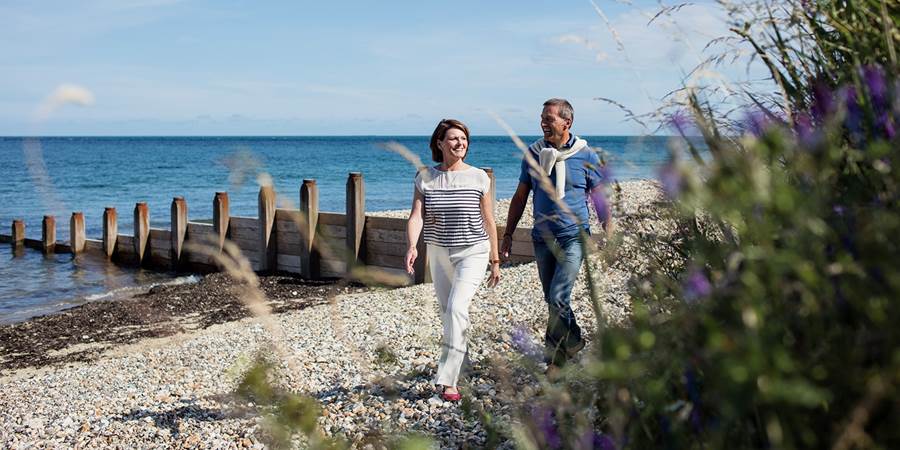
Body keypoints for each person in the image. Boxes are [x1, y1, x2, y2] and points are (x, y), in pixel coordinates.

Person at [501, 98, 609, 371]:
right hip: (542, 238)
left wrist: (610, 232)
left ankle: (555, 361)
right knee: (552, 299)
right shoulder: (533, 153)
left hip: (574, 236)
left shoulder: (586, 155)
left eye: (549, 119)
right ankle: (573, 339)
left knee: (559, 296)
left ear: (566, 122)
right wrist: (508, 234)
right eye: (542, 118)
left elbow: (599, 197)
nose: (543, 123)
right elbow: (520, 196)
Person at [405, 119, 502, 401]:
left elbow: (488, 220)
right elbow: (416, 216)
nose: (460, 143)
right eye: (453, 138)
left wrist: (495, 260)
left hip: (473, 251)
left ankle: (448, 381)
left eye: (464, 139)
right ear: (440, 143)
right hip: (438, 251)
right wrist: (412, 246)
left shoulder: (479, 177)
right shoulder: (425, 177)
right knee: (448, 312)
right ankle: (463, 363)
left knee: (457, 308)